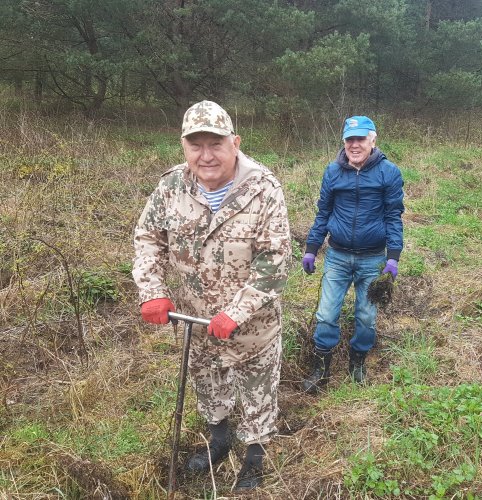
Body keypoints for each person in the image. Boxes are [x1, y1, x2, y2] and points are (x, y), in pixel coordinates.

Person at [132, 100, 291, 490]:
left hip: (253, 328)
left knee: (258, 391)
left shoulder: (263, 188)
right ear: (184, 147)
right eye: (195, 145)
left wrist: (237, 311)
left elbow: (275, 259)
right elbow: (148, 238)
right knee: (209, 385)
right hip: (196, 323)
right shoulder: (171, 186)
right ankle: (217, 439)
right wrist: (153, 291)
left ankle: (255, 452)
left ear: (235, 143)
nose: (206, 155)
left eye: (215, 144)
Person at [301, 115, 404, 393]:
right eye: (350, 139)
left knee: (366, 316)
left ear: (373, 139)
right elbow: (323, 213)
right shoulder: (333, 172)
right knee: (326, 314)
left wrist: (393, 256)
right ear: (344, 141)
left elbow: (394, 216)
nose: (354, 145)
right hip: (337, 256)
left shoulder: (389, 173)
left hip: (372, 259)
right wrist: (312, 248)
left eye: (360, 139)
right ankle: (321, 368)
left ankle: (357, 362)